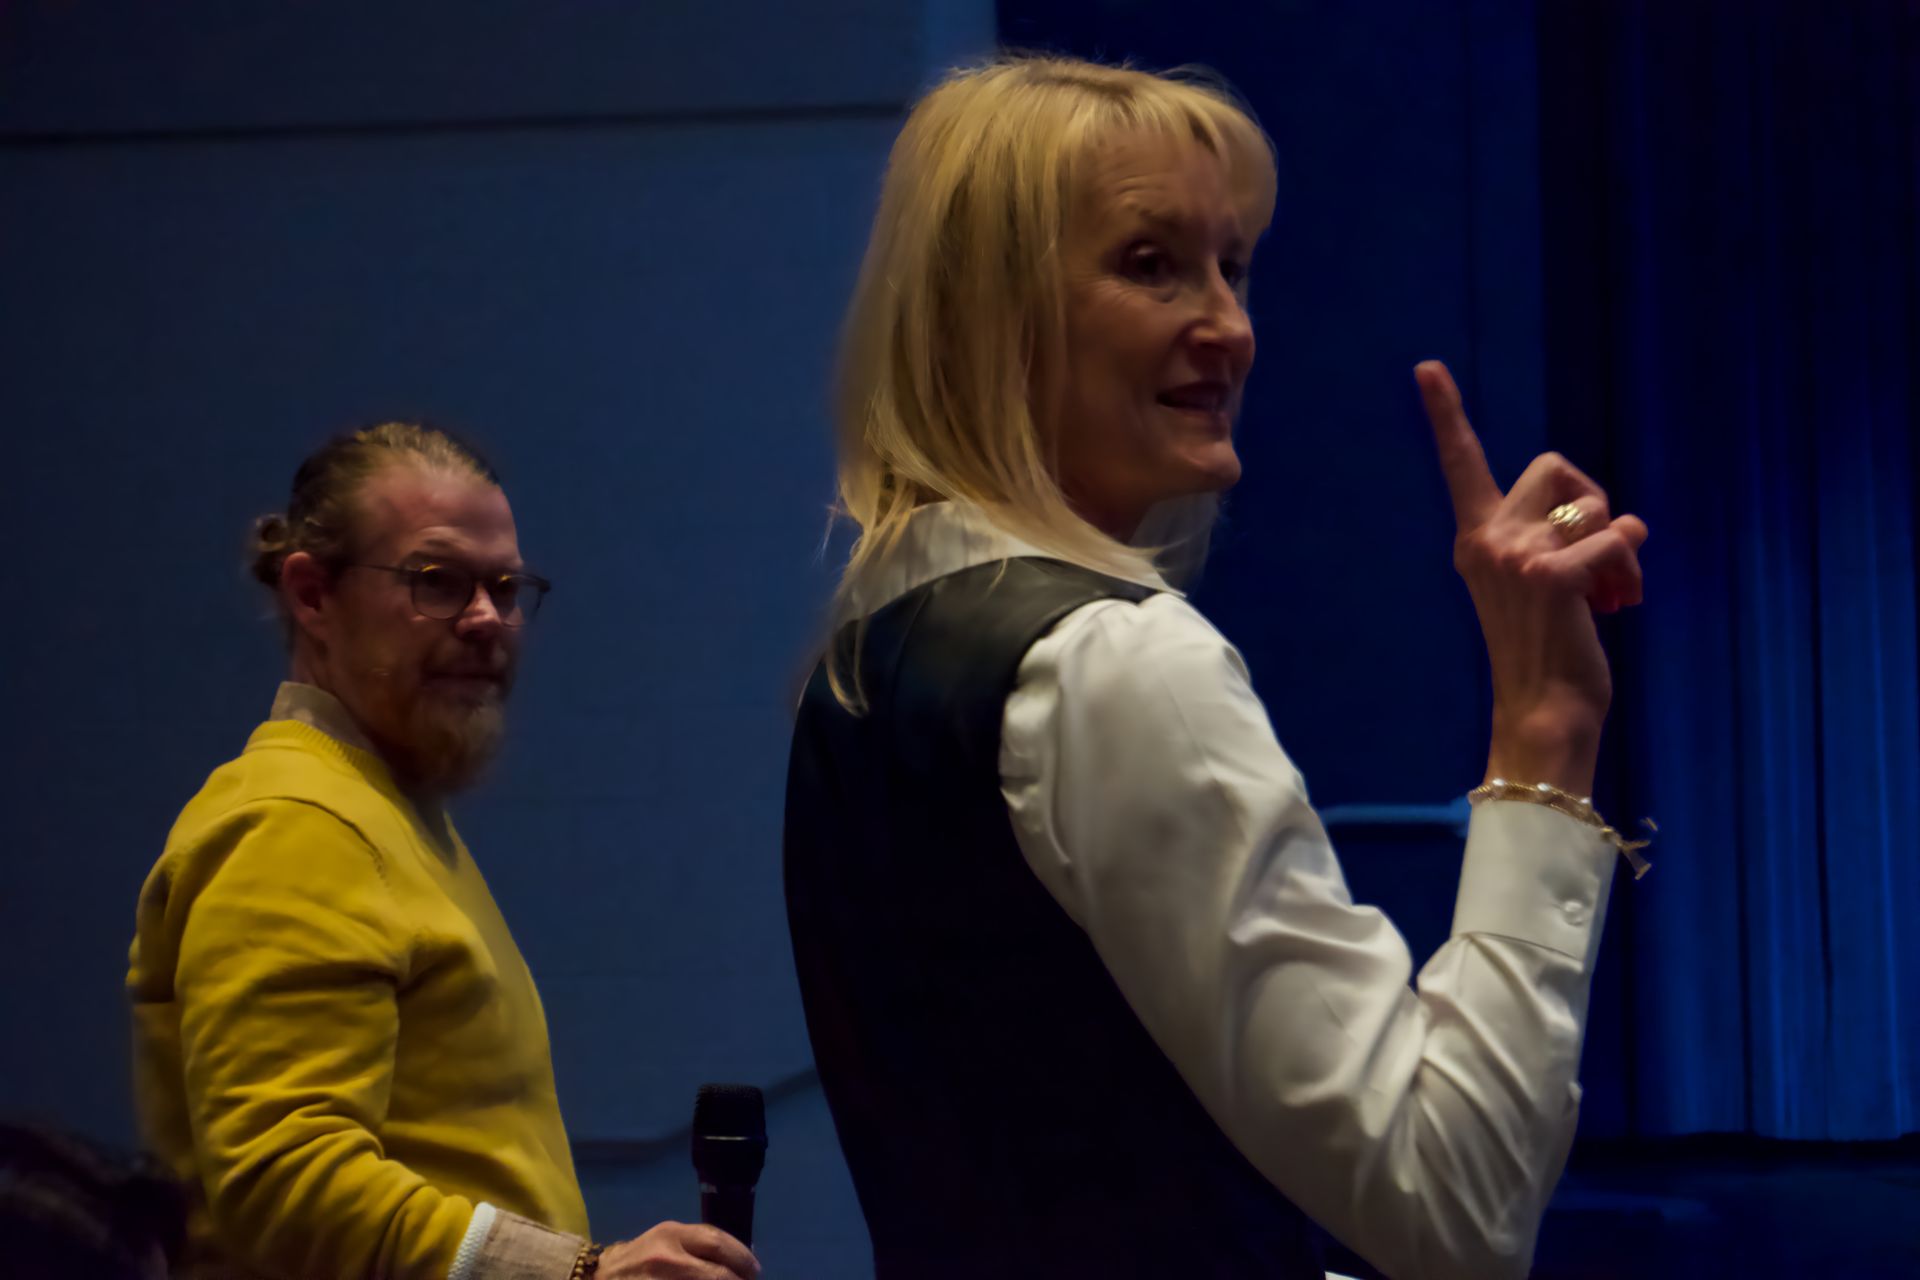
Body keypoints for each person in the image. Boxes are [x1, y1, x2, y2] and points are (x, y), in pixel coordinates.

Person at [783, 56, 1650, 1280]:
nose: (1230, 329)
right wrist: (1547, 727)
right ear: (994, 312)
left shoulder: (869, 651)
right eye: (1151, 265)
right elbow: (1455, 1207)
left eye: (1232, 267)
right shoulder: (1118, 661)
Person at [128, 424, 758, 1280]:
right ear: (312, 595)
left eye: (505, 587)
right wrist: (578, 1273)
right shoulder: (295, 823)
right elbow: (288, 1184)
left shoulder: (378, 811)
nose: (487, 619)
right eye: (438, 582)